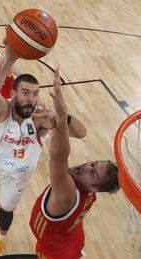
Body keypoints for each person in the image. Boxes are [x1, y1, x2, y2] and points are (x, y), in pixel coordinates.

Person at [0, 40, 87, 259]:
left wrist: (63, 114)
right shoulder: (2, 110)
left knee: (6, 211)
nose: (31, 98)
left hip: (16, 179)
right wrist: (8, 61)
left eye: (35, 93)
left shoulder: (40, 121)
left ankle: (0, 240)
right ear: (13, 94)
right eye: (25, 93)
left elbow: (81, 133)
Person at [29, 68, 120, 259]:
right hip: (71, 239)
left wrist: (62, 120)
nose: (87, 166)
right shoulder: (88, 190)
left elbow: (59, 157)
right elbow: (82, 132)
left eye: (92, 173)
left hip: (56, 254)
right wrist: (64, 118)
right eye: (93, 163)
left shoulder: (67, 193)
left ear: (94, 188)